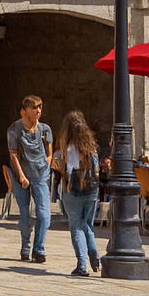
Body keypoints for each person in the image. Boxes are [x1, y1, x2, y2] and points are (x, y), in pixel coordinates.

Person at [7, 95, 54, 264]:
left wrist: (47, 163)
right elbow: (13, 154)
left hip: (40, 174)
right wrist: (20, 174)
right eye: (34, 107)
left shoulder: (45, 129)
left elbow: (50, 151)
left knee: (44, 213)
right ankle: (25, 247)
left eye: (40, 107)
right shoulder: (14, 130)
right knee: (25, 215)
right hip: (21, 175)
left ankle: (38, 248)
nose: (38, 110)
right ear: (23, 111)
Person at [55, 110, 101, 277]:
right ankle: (94, 252)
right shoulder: (92, 147)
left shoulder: (68, 148)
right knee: (87, 224)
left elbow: (69, 170)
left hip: (74, 191)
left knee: (76, 227)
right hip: (92, 190)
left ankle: (82, 264)